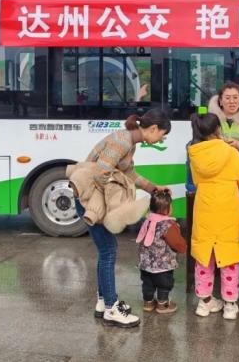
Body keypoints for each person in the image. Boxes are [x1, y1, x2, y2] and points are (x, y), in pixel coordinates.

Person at [74, 108, 171, 328]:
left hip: (92, 200)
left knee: (105, 250)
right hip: (92, 203)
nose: (161, 139)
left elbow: (129, 173)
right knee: (108, 250)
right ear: (153, 128)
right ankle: (111, 308)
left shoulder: (129, 141)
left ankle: (103, 302)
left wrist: (153, 188)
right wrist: (117, 200)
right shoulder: (123, 141)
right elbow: (101, 173)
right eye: (162, 135)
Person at [188, 112, 239, 320]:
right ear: (218, 129)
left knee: (204, 256)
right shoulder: (229, 151)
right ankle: (230, 305)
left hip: (204, 208)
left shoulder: (194, 152)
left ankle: (204, 303)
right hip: (227, 208)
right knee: (229, 256)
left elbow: (196, 181)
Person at [135, 189, 187, 314]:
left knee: (147, 284)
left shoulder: (147, 221)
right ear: (167, 209)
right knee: (164, 285)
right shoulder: (168, 225)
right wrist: (184, 247)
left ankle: (148, 303)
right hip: (163, 267)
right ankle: (162, 305)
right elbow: (177, 243)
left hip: (145, 265)